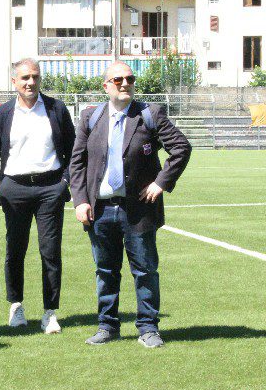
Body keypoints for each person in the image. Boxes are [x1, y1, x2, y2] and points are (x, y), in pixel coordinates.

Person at [68, 61, 191, 348]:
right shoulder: (91, 117)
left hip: (137, 209)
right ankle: (107, 326)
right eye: (118, 79)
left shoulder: (150, 114)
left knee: (145, 270)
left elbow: (181, 148)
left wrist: (161, 182)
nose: (125, 84)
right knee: (105, 271)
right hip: (99, 210)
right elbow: (77, 162)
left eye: (130, 79)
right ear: (106, 85)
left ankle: (148, 328)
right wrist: (80, 200)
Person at [0, 58, 75, 333]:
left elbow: (74, 149)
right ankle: (16, 306)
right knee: (15, 250)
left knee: (50, 251)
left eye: (34, 77)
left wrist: (65, 181)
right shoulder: (3, 113)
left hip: (50, 189)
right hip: (15, 189)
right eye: (24, 78)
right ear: (14, 82)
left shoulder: (56, 109)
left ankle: (50, 312)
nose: (30, 82)